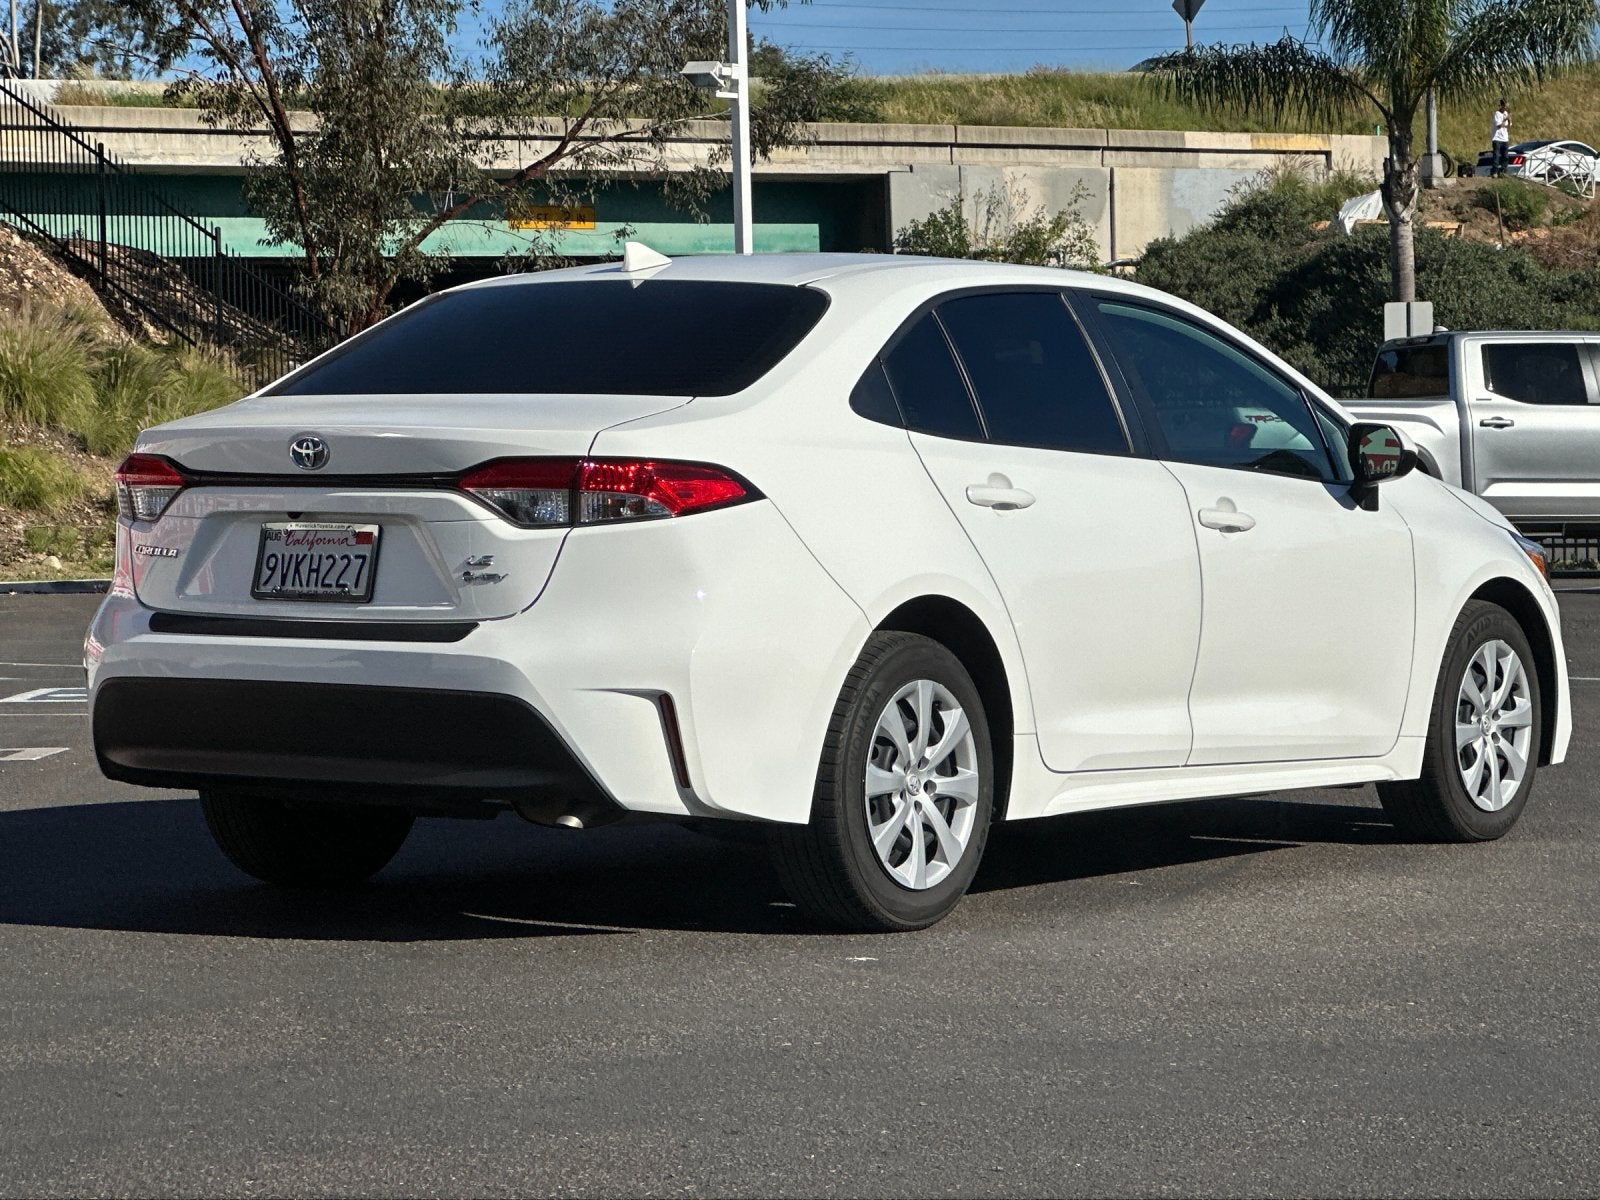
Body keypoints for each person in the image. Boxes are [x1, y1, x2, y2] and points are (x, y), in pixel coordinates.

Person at [1491, 100, 1512, 176]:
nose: (1506, 108)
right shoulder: (1497, 114)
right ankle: (1495, 171)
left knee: (1505, 156)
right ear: (1502, 106)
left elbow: (1508, 126)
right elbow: (1499, 125)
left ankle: (1503, 171)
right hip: (1497, 138)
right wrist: (1505, 119)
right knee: (1496, 155)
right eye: (1505, 107)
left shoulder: (1506, 113)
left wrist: (1509, 120)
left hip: (1505, 138)